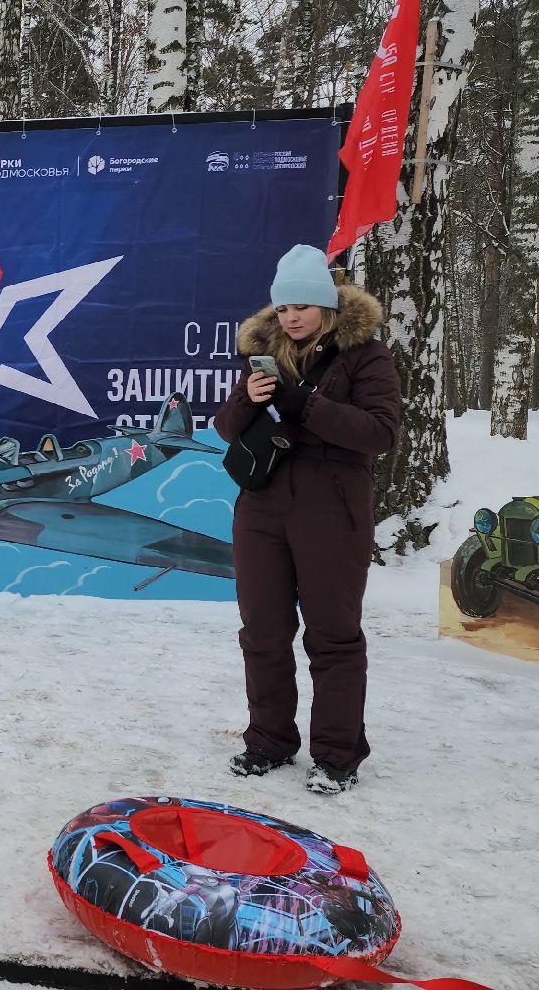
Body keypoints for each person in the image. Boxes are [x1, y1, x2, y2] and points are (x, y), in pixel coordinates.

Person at [213, 244, 401, 795]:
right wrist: (249, 398)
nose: (292, 316)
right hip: (263, 506)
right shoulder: (263, 356)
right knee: (263, 631)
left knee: (333, 635)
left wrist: (306, 405)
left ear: (327, 305)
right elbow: (227, 429)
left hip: (333, 507)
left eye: (303, 305)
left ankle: (338, 755)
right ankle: (269, 741)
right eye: (284, 306)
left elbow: (381, 433)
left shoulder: (365, 356)